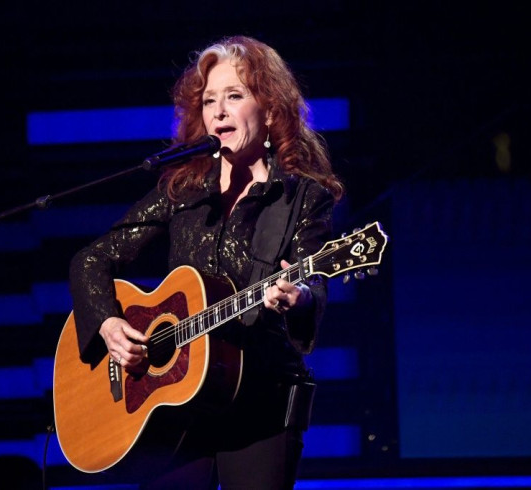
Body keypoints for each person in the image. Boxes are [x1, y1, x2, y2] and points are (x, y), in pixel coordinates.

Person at [68, 35, 344, 489]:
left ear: (271, 110)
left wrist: (298, 298)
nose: (218, 111)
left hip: (260, 405)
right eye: (209, 100)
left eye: (234, 96)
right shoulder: (184, 189)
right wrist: (109, 326)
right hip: (175, 407)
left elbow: (313, 287)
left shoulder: (302, 196)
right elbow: (90, 260)